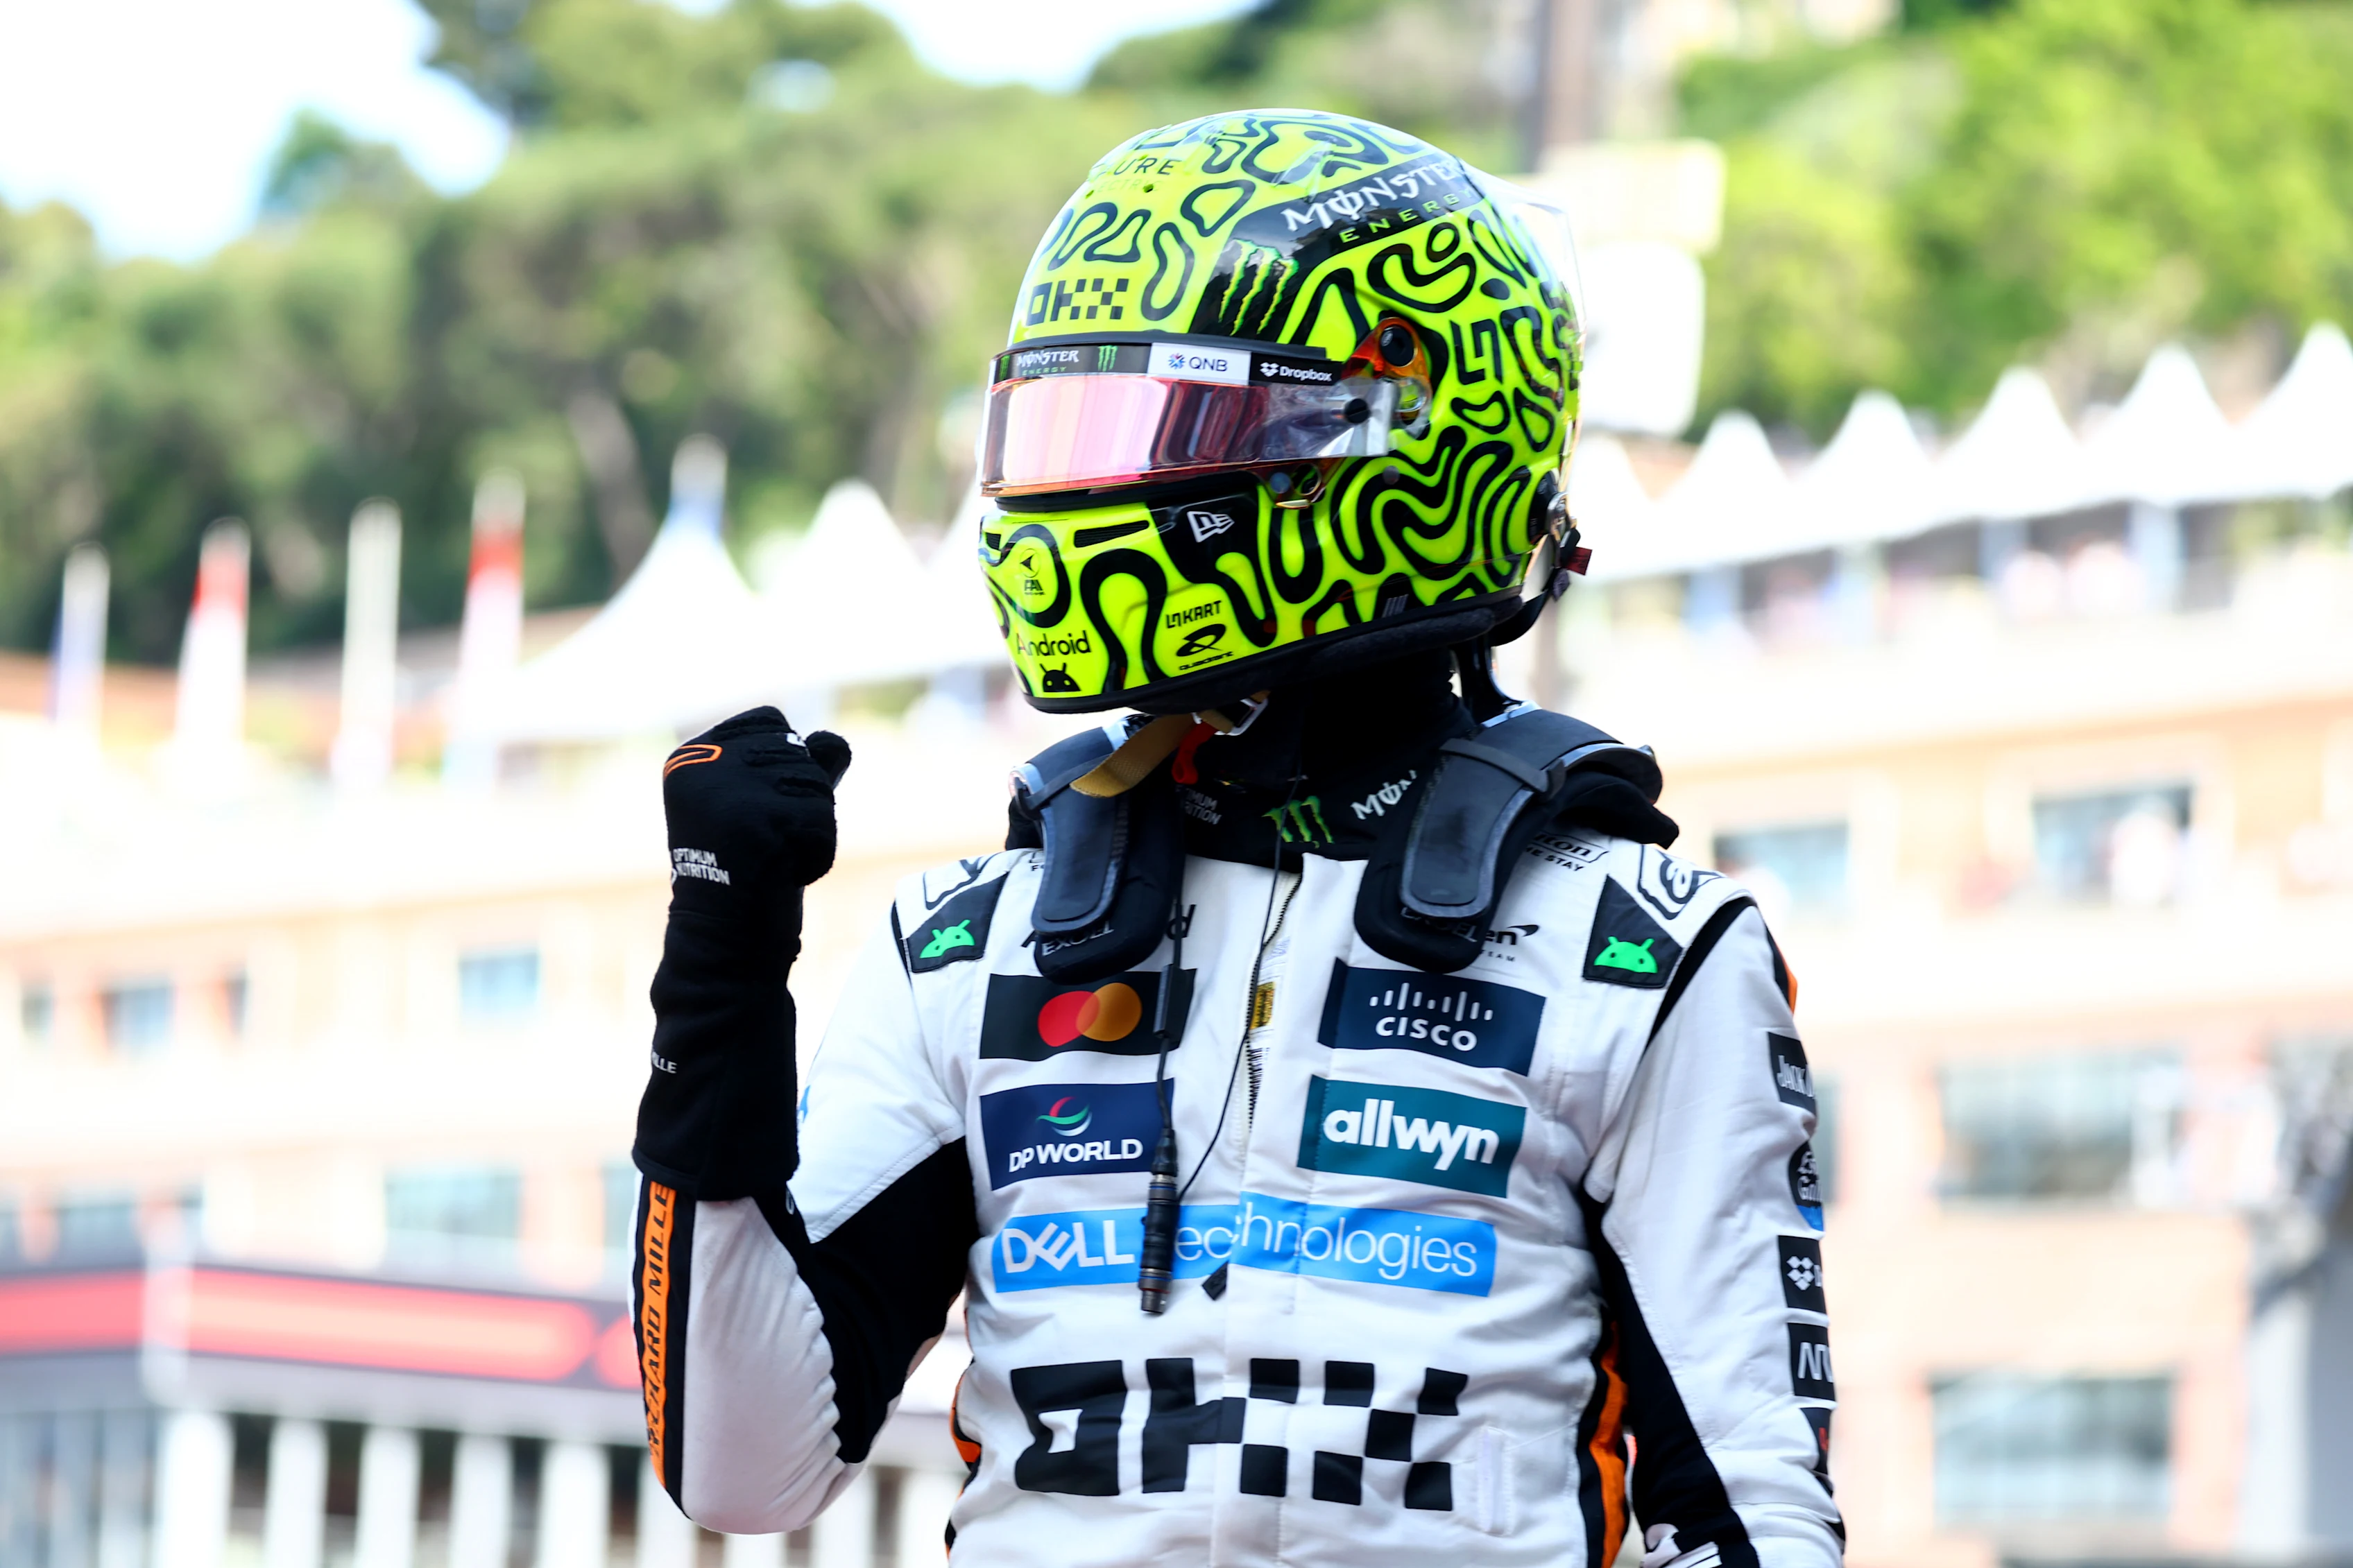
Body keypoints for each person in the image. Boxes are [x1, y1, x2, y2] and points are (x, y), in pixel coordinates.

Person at [628, 109, 1843, 1567]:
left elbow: (1747, 1516)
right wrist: (722, 967)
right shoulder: (969, 943)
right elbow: (739, 1465)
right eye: (1071, 434)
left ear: (1397, 428)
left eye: (1180, 430)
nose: (1097, 491)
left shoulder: (1644, 951)